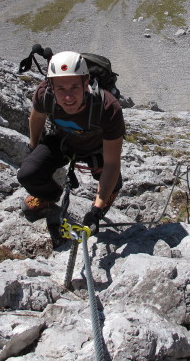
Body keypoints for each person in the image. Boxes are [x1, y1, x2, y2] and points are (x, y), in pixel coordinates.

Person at [17, 51, 125, 238]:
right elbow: (37, 117)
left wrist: (95, 211)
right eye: (61, 89)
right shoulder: (45, 95)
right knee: (28, 174)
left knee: (113, 184)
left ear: (86, 83)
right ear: (51, 87)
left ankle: (103, 204)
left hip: (97, 150)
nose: (68, 97)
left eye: (74, 87)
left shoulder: (107, 108)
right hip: (62, 142)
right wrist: (32, 147)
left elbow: (112, 164)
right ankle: (48, 197)